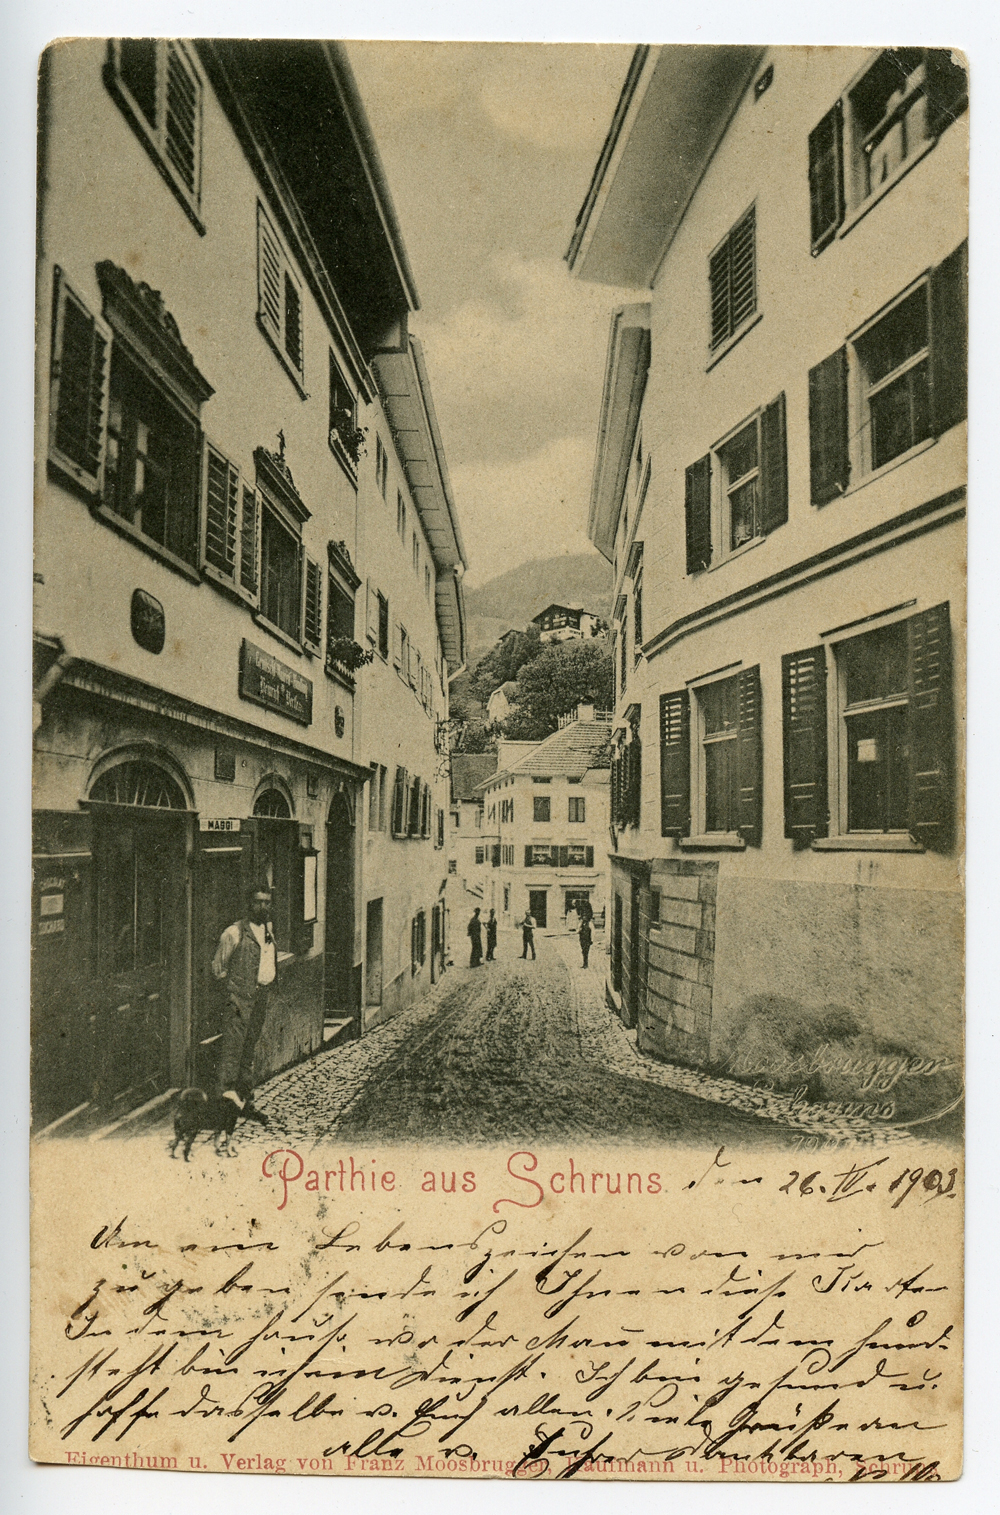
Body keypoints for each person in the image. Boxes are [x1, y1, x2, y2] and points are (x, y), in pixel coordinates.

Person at [211, 883, 277, 1109]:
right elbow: (218, 969)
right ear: (249, 904)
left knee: (248, 1050)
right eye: (258, 902)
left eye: (267, 902)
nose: (263, 907)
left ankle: (245, 1101)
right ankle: (224, 1106)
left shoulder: (268, 931)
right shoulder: (234, 932)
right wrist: (233, 994)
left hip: (260, 997)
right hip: (239, 1000)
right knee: (232, 1052)